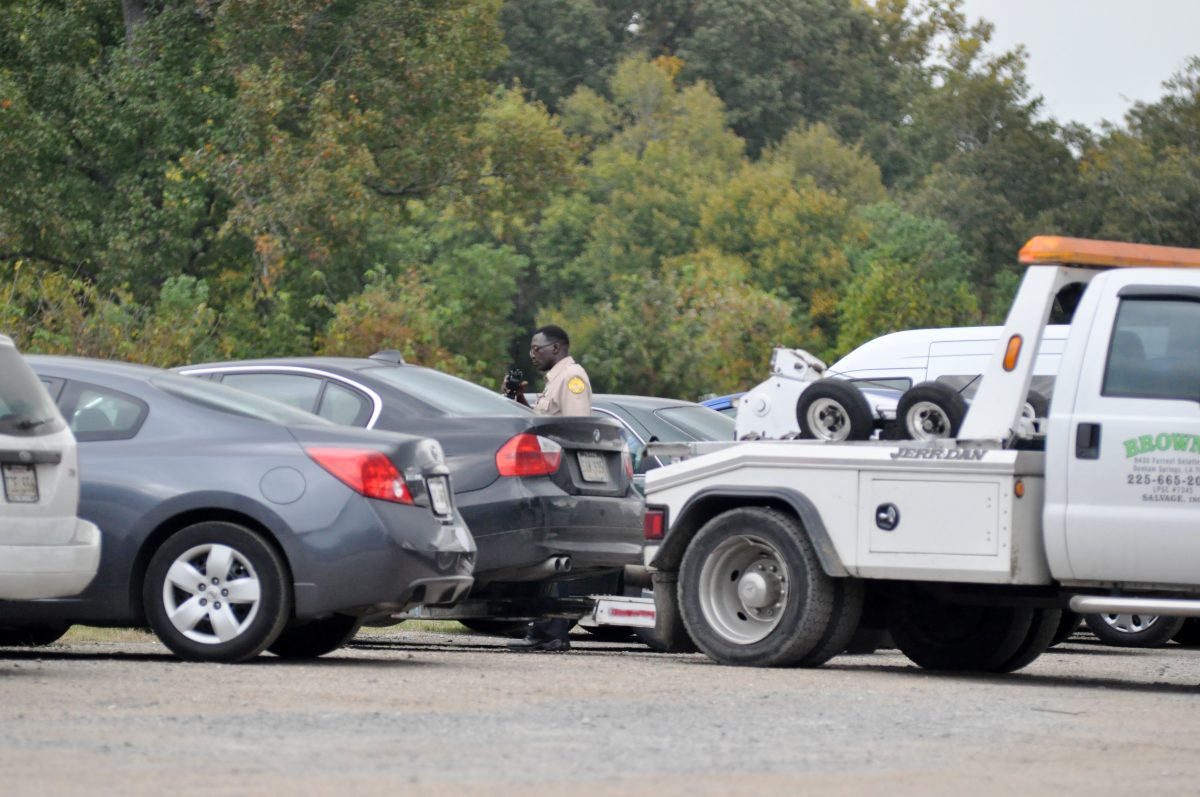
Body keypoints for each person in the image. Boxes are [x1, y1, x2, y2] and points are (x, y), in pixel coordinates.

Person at [505, 324, 592, 652]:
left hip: (560, 478)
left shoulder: (572, 379)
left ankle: (551, 632)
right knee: (544, 553)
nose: (532, 354)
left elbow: (576, 430)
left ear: (556, 348)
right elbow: (544, 422)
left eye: (536, 348)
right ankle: (544, 629)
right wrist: (517, 399)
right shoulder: (554, 381)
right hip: (547, 477)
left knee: (554, 554)